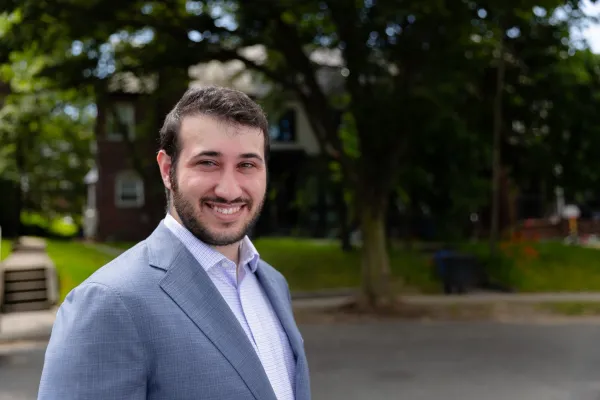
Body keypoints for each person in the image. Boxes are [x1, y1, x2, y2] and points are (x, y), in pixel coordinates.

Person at [37, 86, 311, 400]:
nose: (229, 189)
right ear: (168, 170)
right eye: (208, 163)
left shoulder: (273, 284)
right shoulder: (109, 302)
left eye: (247, 165)